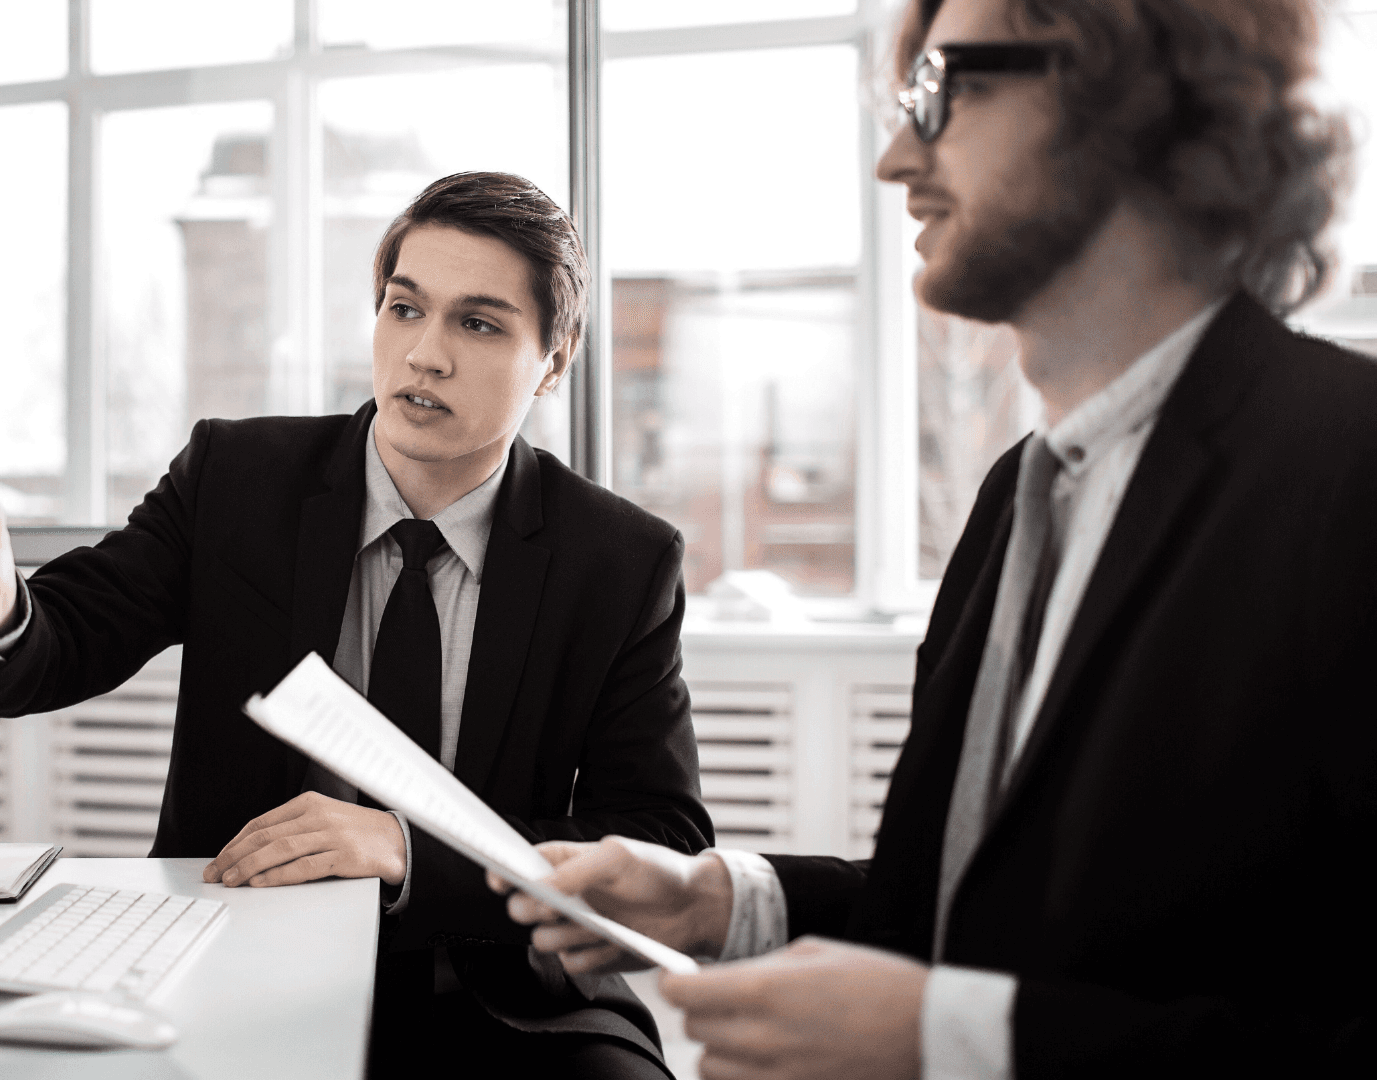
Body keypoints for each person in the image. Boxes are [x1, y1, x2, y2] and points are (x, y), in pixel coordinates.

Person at [494, 0, 1374, 1077]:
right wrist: (721, 900)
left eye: (944, 93)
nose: (897, 158)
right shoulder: (1020, 496)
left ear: (1146, 95)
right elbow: (976, 909)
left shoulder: (1350, 470)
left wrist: (957, 1045)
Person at [0, 171, 713, 1079]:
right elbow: (58, 644)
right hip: (228, 953)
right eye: (404, 309)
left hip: (500, 989)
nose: (424, 355)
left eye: (480, 323)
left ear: (557, 356)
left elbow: (664, 839)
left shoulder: (619, 559)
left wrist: (409, 848)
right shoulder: (238, 477)